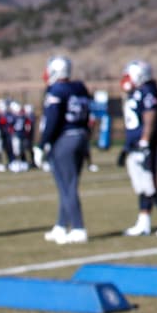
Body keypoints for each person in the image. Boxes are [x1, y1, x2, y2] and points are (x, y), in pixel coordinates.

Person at [119, 60, 157, 237]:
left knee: (150, 184)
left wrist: (144, 140)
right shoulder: (135, 93)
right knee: (141, 186)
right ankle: (143, 221)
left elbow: (150, 115)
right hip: (134, 144)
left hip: (148, 144)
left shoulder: (148, 91)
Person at [39, 55, 92, 244]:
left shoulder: (57, 90)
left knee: (66, 186)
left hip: (64, 139)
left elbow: (52, 120)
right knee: (68, 185)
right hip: (80, 136)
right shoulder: (79, 88)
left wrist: (42, 143)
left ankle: (78, 227)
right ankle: (61, 226)